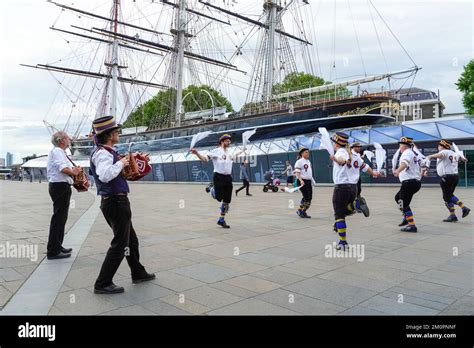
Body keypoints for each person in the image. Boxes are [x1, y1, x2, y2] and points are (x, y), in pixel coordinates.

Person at [89, 116, 155, 294]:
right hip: (115, 202)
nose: (118, 133)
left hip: (116, 201)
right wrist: (121, 162)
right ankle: (102, 283)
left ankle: (138, 272)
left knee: (130, 240)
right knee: (120, 244)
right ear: (109, 135)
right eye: (116, 131)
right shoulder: (103, 153)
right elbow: (104, 175)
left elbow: (114, 172)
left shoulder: (106, 151)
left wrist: (136, 161)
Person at [329, 133, 380, 250]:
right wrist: (374, 173)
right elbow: (365, 167)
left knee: (339, 214)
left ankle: (343, 242)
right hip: (353, 188)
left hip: (341, 187)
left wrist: (336, 159)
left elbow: (342, 160)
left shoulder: (341, 152)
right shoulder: (355, 155)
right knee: (344, 210)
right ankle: (355, 205)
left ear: (336, 143)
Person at [191, 134, 246, 228]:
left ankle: (221, 220)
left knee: (226, 201)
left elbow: (234, 156)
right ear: (222, 142)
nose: (229, 142)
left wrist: (242, 151)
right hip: (218, 177)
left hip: (228, 177)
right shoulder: (215, 151)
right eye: (227, 141)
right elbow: (205, 159)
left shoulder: (230, 151)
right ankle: (211, 188)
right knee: (219, 198)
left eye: (229, 141)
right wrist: (197, 153)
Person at [46, 131, 81, 260]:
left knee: (61, 218)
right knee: (59, 219)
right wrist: (74, 172)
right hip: (60, 186)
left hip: (59, 186)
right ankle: (53, 251)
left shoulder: (59, 152)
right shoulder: (58, 152)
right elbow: (63, 169)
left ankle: (57, 246)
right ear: (62, 140)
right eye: (67, 138)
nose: (70, 139)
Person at [426, 139, 470, 222]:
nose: (438, 147)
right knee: (450, 195)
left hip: (447, 177)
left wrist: (430, 156)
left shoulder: (444, 152)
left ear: (443, 146)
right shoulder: (454, 153)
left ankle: (463, 208)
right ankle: (453, 215)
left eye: (439, 145)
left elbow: (440, 155)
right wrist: (463, 159)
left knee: (446, 197)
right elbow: (461, 159)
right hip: (455, 177)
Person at [393, 136, 423, 233]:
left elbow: (404, 164)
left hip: (409, 182)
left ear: (404, 145)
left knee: (404, 203)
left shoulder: (407, 153)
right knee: (398, 198)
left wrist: (397, 171)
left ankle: (412, 225)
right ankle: (406, 216)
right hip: (414, 182)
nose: (399, 147)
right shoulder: (413, 153)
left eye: (400, 145)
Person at [294, 147, 316, 218]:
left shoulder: (308, 161)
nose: (308, 153)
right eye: (306, 152)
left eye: (308, 152)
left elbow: (309, 173)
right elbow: (297, 172)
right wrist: (301, 180)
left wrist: (312, 181)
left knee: (309, 198)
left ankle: (301, 210)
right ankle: (301, 211)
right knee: (307, 197)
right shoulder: (299, 161)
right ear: (302, 153)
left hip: (308, 181)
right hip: (302, 181)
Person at [349, 142, 370, 217]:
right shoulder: (349, 154)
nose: (359, 148)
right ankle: (353, 207)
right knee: (352, 194)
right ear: (353, 147)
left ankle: (357, 206)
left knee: (358, 192)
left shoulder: (357, 154)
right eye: (358, 147)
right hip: (350, 178)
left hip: (357, 176)